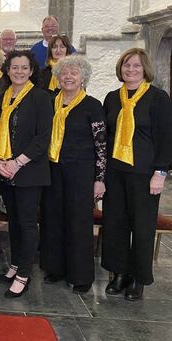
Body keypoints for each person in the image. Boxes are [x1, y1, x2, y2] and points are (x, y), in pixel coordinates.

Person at [101, 48, 172, 301]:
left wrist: (160, 172)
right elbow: (106, 137)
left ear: (145, 70)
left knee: (141, 228)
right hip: (115, 172)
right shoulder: (111, 98)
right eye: (126, 65)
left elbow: (166, 138)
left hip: (145, 174)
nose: (130, 70)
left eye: (136, 66)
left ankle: (139, 280)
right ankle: (120, 274)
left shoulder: (158, 97)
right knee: (115, 224)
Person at [40, 56, 106, 294]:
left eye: (73, 73)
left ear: (82, 78)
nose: (68, 77)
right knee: (53, 218)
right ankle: (55, 268)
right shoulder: (49, 102)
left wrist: (100, 179)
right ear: (57, 77)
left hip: (81, 172)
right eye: (64, 73)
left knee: (78, 222)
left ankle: (81, 276)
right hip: (52, 169)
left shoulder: (92, 105)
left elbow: (101, 146)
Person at [0, 50, 53, 298]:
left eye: (23, 68)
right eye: (14, 67)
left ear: (31, 71)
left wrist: (17, 163)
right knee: (13, 221)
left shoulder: (40, 97)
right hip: (4, 170)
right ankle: (15, 264)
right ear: (7, 70)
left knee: (27, 223)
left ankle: (24, 274)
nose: (18, 72)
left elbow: (42, 138)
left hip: (29, 171)